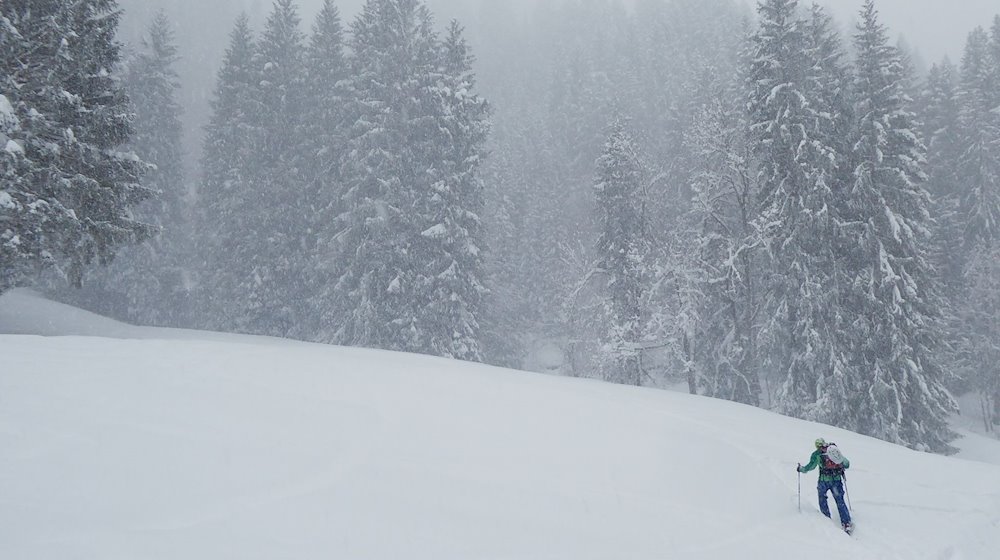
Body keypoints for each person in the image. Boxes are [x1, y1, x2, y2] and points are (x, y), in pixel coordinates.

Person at [797, 437, 852, 532]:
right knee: (840, 501)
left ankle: (826, 520)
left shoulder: (816, 455)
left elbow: (810, 467)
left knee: (822, 499)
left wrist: (801, 469)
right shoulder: (833, 450)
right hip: (837, 480)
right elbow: (847, 464)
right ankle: (846, 523)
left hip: (823, 481)